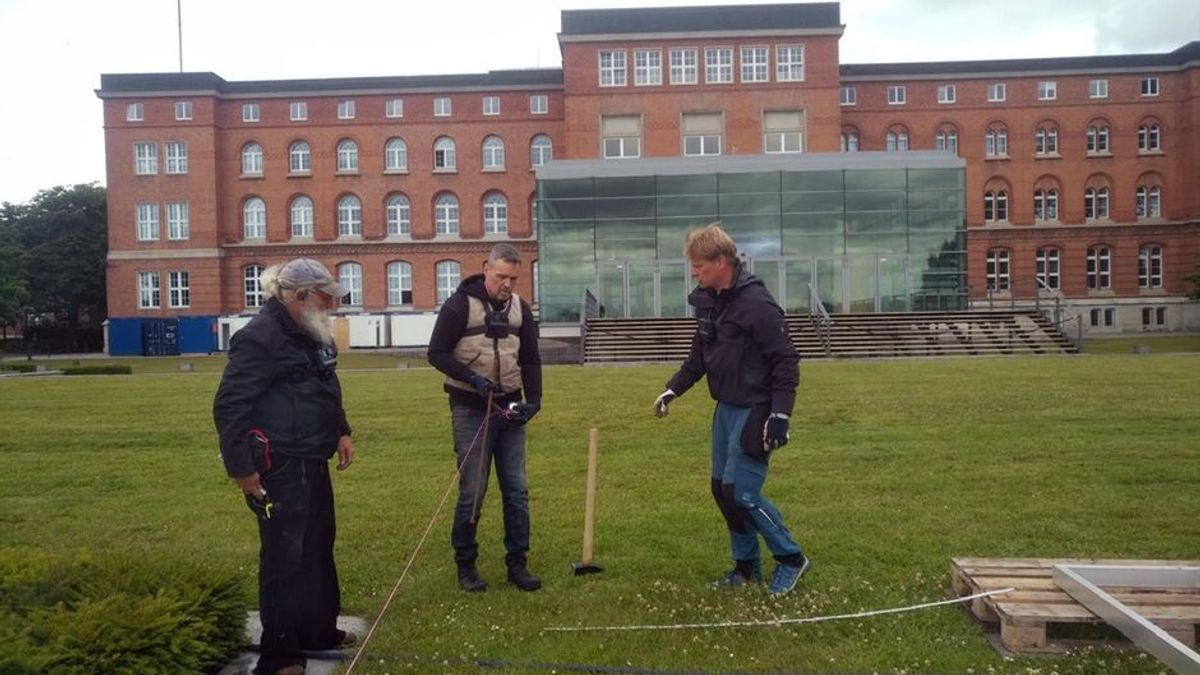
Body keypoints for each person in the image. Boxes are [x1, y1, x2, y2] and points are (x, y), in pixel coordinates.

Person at [214, 258, 357, 675]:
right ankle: (279, 656)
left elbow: (326, 384)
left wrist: (341, 431)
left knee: (317, 547)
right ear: (299, 296)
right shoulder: (260, 338)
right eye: (325, 297)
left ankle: (317, 632)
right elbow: (229, 406)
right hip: (278, 462)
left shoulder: (311, 332)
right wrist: (241, 469)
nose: (331, 305)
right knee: (284, 557)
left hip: (313, 455)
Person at [652, 223, 810, 595]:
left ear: (721, 261)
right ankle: (746, 567)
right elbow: (699, 356)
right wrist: (672, 390)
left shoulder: (757, 305)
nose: (694, 273)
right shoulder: (710, 302)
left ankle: (791, 558)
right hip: (725, 410)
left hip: (756, 408)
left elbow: (785, 361)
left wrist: (780, 415)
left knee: (743, 492)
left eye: (699, 267)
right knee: (721, 491)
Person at [427, 243, 543, 593]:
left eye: (513, 278)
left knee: (517, 490)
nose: (507, 284)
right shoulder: (459, 305)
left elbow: (532, 359)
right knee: (473, 491)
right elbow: (436, 353)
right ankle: (466, 563)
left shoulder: (521, 309)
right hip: (469, 407)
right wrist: (472, 378)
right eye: (501, 276)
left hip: (510, 408)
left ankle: (517, 562)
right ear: (486, 268)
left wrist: (534, 400)